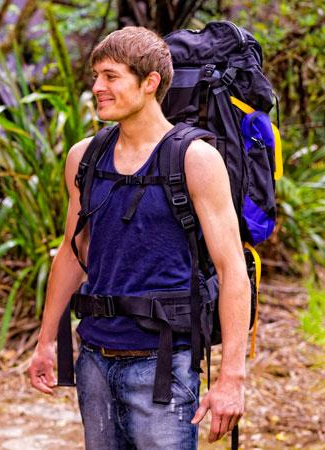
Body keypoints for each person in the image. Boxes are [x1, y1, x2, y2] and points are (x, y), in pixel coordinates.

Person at [28, 27, 250, 449]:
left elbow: (231, 268)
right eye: (96, 76)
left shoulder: (195, 159)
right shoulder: (84, 157)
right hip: (94, 359)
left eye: (111, 76)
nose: (97, 87)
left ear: (150, 82)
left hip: (163, 364)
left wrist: (231, 377)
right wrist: (45, 341)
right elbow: (73, 253)